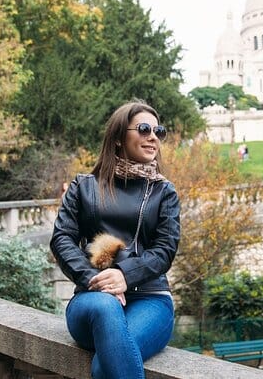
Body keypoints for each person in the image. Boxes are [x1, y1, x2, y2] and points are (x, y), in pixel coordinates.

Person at [50, 100, 181, 379]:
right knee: (105, 305)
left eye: (158, 131)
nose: (153, 137)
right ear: (119, 137)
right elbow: (62, 239)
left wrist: (124, 275)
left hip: (150, 299)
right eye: (144, 129)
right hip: (91, 299)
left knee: (104, 366)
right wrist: (97, 281)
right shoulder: (83, 186)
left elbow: (165, 249)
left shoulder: (164, 192)